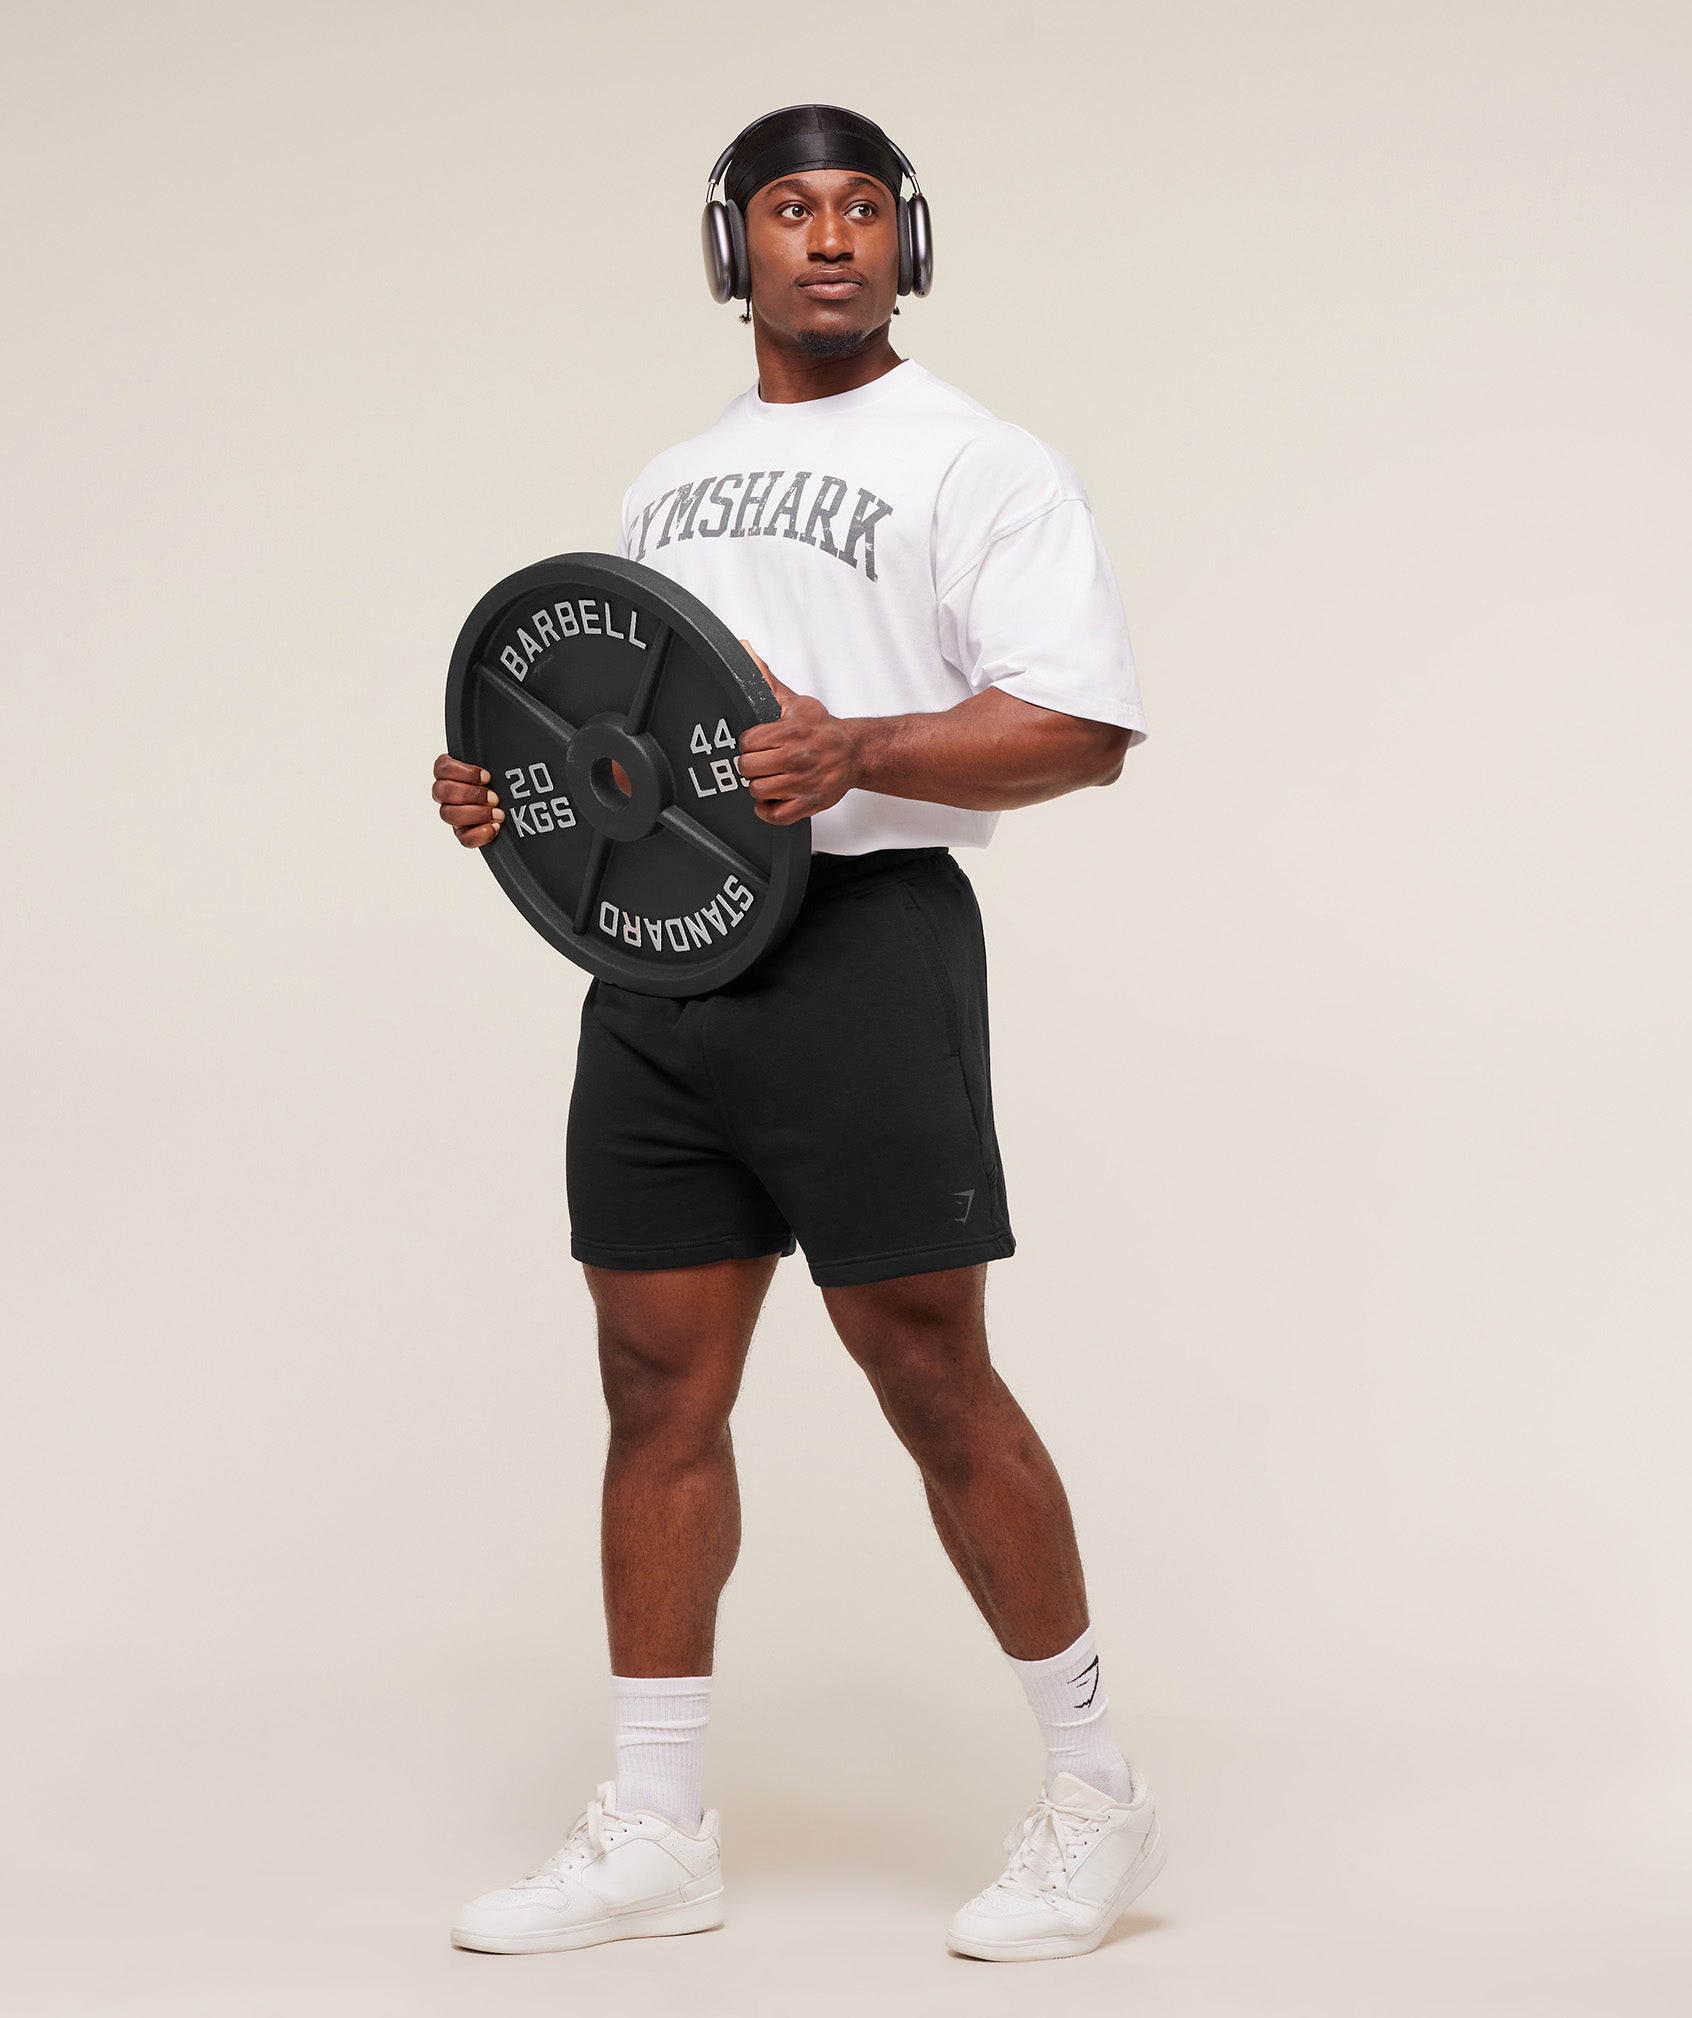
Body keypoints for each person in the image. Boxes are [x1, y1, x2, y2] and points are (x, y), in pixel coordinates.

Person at [431, 103, 1161, 1963]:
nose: (826, 239)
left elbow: (1080, 726)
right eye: (785, 207)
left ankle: (1095, 1794)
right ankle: (657, 1830)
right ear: (728, 247)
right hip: (659, 966)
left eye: (858, 209)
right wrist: (517, 795)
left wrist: (869, 748)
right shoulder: (668, 484)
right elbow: (629, 744)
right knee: (654, 1388)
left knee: (929, 1373)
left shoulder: (978, 459)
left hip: (863, 947)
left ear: (906, 240)